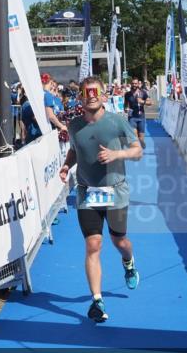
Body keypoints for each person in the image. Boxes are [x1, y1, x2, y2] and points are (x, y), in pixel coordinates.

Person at [58, 77, 143, 323]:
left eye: (96, 93)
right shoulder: (74, 125)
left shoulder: (117, 122)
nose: (91, 96)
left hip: (115, 191)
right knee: (93, 244)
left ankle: (128, 262)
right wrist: (66, 166)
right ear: (81, 97)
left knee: (120, 241)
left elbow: (137, 150)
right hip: (87, 193)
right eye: (87, 93)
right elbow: (74, 149)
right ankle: (97, 301)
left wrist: (117, 153)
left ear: (104, 96)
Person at [124, 78, 151, 148]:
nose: (134, 85)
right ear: (131, 84)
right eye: (133, 83)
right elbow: (125, 104)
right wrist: (125, 109)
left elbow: (150, 103)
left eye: (135, 83)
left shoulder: (143, 93)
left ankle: (141, 143)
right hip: (132, 117)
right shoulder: (127, 94)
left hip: (141, 117)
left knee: (141, 138)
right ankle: (137, 149)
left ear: (138, 84)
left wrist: (142, 102)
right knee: (135, 136)